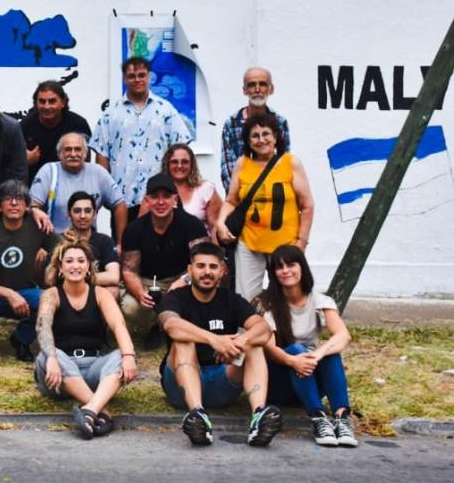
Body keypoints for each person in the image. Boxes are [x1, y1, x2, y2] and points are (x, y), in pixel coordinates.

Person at [156, 242, 282, 447]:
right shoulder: (175, 298)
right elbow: (171, 325)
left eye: (213, 267)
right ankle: (198, 416)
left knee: (254, 344)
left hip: (221, 383)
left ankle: (258, 417)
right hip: (180, 386)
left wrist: (241, 341)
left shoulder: (231, 300)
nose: (207, 272)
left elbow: (264, 330)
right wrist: (215, 340)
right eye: (201, 266)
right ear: (190, 270)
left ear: (222, 271)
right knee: (183, 340)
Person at [34, 235, 138, 439]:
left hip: (93, 369)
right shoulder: (51, 294)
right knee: (46, 355)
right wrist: (53, 359)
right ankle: (102, 411)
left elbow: (119, 325)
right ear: (60, 268)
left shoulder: (100, 293)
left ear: (89, 267)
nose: (75, 266)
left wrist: (128, 356)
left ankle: (89, 412)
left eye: (81, 261)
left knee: (121, 355)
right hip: (58, 373)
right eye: (69, 261)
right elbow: (42, 326)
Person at [256, 244, 358, 447]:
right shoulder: (265, 303)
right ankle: (318, 418)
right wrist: (293, 360)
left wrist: (317, 355)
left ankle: (341, 417)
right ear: (273, 274)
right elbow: (269, 348)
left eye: (291, 265)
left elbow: (343, 336)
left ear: (302, 267)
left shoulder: (321, 301)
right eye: (279, 267)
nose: (285, 271)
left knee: (331, 353)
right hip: (280, 383)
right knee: (295, 349)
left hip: (308, 377)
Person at [91, 56, 192, 238]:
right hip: (123, 201)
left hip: (160, 199)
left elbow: (181, 149)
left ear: (149, 76)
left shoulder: (166, 110)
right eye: (131, 76)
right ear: (124, 78)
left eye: (141, 75)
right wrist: (106, 192)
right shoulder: (111, 114)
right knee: (125, 252)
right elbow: (101, 154)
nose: (137, 80)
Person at [216, 114, 314, 301]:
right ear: (248, 141)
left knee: (288, 295)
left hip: (285, 243)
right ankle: (250, 330)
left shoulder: (291, 163)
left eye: (266, 134)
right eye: (255, 135)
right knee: (246, 298)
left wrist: (301, 243)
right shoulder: (242, 164)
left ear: (276, 137)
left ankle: (284, 330)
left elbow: (307, 206)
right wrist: (221, 223)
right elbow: (231, 200)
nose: (261, 140)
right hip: (250, 243)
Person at [0, 180, 59, 361]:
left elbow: (63, 251)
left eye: (19, 199)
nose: (14, 203)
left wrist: (49, 266)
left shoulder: (38, 226)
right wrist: (9, 294)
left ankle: (21, 340)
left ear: (27, 206)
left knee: (52, 300)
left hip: (26, 291)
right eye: (8, 199)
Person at [120, 173, 208, 349]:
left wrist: (185, 281)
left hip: (182, 279)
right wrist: (139, 292)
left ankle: (181, 328)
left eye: (166, 196)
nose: (161, 202)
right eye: (155, 197)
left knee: (203, 287)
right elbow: (129, 270)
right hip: (149, 281)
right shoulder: (134, 229)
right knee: (129, 306)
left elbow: (203, 262)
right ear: (147, 200)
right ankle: (157, 326)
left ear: (175, 198)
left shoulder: (192, 224)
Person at [29, 133, 126, 250]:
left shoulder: (98, 173)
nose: (73, 154)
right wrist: (38, 244)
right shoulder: (49, 171)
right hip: (54, 243)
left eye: (78, 149)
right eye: (68, 150)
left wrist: (121, 244)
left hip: (89, 243)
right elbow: (32, 207)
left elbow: (120, 205)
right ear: (60, 154)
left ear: (85, 154)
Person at [221, 67, 291, 193]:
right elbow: (227, 170)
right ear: (244, 90)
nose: (257, 90)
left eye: (263, 84)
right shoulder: (231, 123)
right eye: (252, 85)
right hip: (241, 199)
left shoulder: (280, 122)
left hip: (273, 197)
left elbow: (285, 163)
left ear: (271, 89)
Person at [139, 143, 221, 241]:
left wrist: (217, 254)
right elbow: (141, 225)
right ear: (167, 164)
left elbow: (216, 226)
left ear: (192, 165)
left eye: (185, 162)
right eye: (174, 162)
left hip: (198, 249)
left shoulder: (206, 189)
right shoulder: (155, 190)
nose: (179, 166)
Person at [20, 80, 92, 184]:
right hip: (35, 185)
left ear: (63, 102)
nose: (46, 106)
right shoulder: (25, 126)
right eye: (42, 101)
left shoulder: (78, 125)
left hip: (71, 184)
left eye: (52, 101)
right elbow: (12, 163)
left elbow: (86, 161)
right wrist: (24, 160)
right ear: (36, 103)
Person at [63, 191, 120, 298]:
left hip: (95, 293)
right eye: (77, 211)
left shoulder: (104, 241)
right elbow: (50, 278)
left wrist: (79, 276)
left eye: (88, 211)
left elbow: (114, 276)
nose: (83, 216)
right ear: (68, 215)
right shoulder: (60, 240)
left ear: (95, 214)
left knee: (113, 290)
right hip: (66, 293)